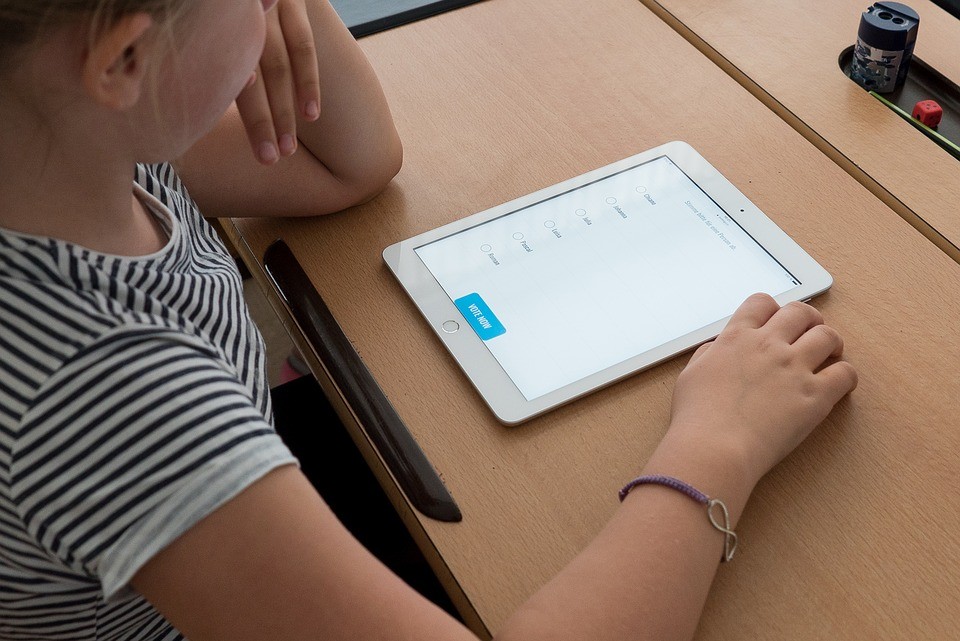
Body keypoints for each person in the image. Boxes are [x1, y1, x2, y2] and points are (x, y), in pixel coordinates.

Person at [0, 0, 858, 639]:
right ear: (124, 60)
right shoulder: (108, 389)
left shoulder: (67, 150)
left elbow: (351, 165)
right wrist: (717, 446)